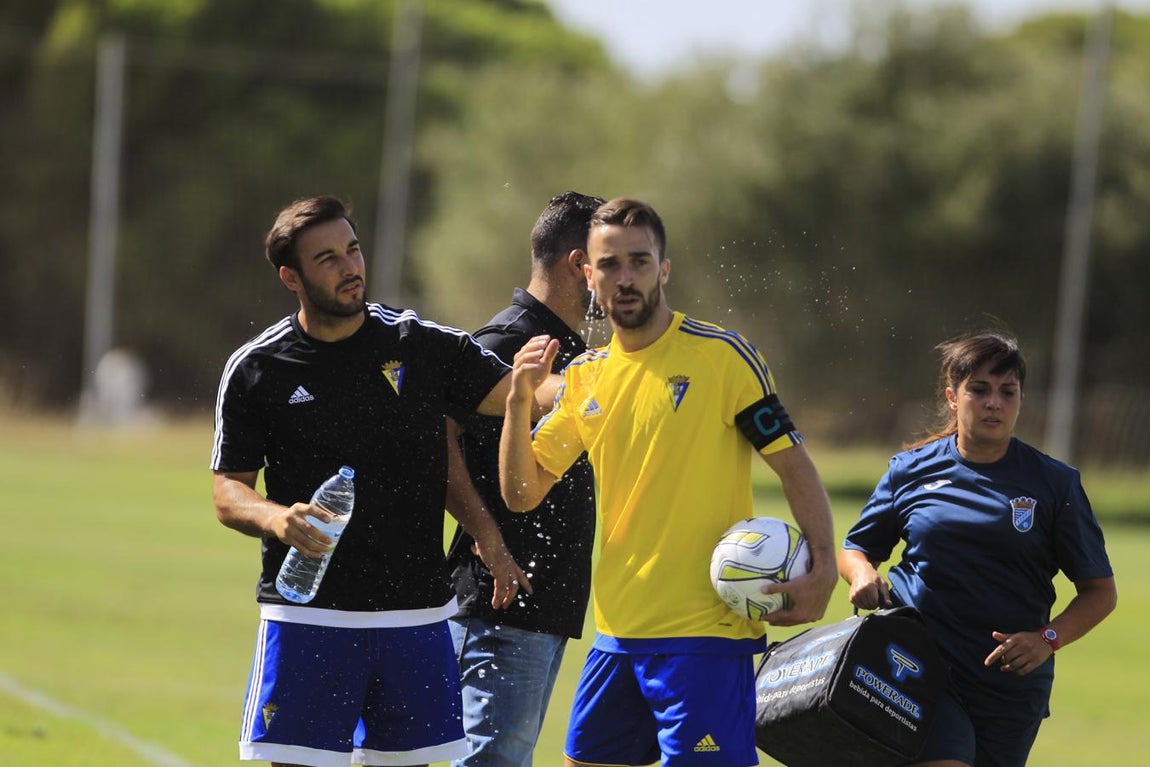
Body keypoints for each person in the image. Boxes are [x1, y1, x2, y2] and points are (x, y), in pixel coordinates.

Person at [210, 195, 554, 767]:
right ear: (290, 277)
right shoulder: (256, 368)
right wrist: (276, 517)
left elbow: (524, 397)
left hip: (415, 620)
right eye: (328, 259)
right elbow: (227, 490)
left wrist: (595, 381)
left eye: (353, 249)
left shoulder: (420, 345)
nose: (350, 268)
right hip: (309, 618)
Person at [498, 197, 838, 767]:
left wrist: (824, 564)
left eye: (639, 261)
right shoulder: (585, 377)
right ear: (587, 273)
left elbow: (793, 464)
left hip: (705, 636)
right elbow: (521, 492)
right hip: (617, 634)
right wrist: (516, 402)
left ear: (664, 268)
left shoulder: (724, 358)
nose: (624, 278)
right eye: (609, 265)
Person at [838, 330, 1117, 767]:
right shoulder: (910, 470)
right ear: (953, 396)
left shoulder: (1055, 484)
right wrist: (862, 574)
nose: (994, 404)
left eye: (1008, 392)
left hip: (1009, 685)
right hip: (918, 665)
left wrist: (1047, 638)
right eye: (980, 390)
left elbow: (1101, 591)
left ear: (1021, 400)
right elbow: (857, 547)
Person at [445, 191, 605, 767]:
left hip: (543, 606)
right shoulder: (502, 342)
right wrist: (490, 541)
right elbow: (438, 448)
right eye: (606, 261)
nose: (613, 279)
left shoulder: (575, 352)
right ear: (577, 265)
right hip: (501, 605)